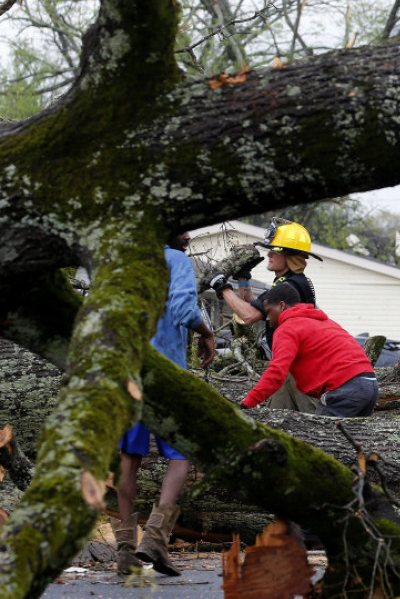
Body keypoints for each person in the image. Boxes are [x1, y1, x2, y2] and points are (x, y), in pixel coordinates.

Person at [112, 231, 216, 577]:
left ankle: (126, 552)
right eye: (186, 228)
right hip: (165, 374)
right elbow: (185, 309)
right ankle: (155, 538)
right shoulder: (175, 260)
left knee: (129, 459)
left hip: (128, 371)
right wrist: (207, 332)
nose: (189, 235)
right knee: (181, 455)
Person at [208, 218, 320, 412]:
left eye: (275, 250)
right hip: (289, 366)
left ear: (290, 255)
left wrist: (221, 287)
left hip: (300, 369)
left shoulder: (289, 286)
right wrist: (243, 280)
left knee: (314, 423)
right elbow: (256, 307)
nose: (269, 253)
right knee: (277, 420)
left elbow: (248, 315)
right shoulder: (287, 282)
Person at [240, 284, 378, 417]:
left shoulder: (287, 328)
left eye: (269, 312)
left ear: (282, 306)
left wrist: (246, 405)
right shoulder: (325, 322)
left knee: (321, 437)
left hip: (346, 389)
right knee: (349, 438)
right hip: (370, 384)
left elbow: (276, 372)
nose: (268, 318)